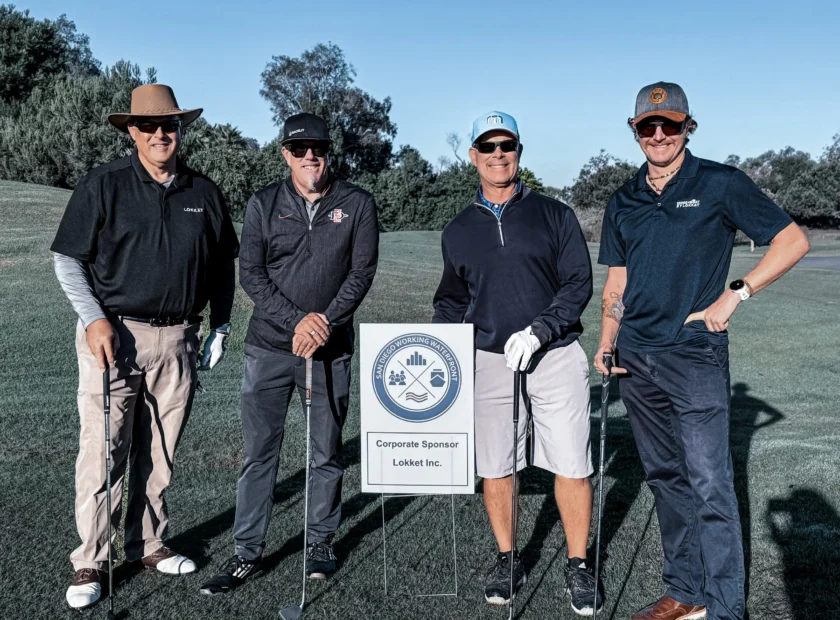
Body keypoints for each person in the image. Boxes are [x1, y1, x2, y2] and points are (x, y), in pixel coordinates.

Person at [594, 82, 810, 620]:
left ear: (689, 125)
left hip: (694, 355)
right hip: (636, 358)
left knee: (710, 482)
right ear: (635, 131)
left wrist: (737, 294)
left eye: (671, 124)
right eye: (649, 126)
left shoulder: (720, 182)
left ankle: (726, 608)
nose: (660, 134)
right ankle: (686, 592)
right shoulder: (623, 199)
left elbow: (792, 240)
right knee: (666, 478)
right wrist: (604, 339)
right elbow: (617, 281)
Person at [52, 84, 239, 609]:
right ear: (131, 131)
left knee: (159, 450)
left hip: (179, 337)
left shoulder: (204, 192)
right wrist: (92, 319)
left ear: (181, 130)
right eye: (150, 126)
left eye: (170, 126)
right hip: (113, 335)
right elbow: (68, 260)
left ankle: (148, 545)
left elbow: (222, 266)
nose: (161, 134)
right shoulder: (104, 184)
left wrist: (221, 327)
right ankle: (91, 557)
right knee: (104, 450)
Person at [200, 112, 379, 595]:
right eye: (299, 150)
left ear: (328, 150)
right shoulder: (263, 203)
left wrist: (323, 324)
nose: (309, 156)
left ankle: (321, 541)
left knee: (326, 452)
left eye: (317, 147)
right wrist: (297, 320)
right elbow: (252, 274)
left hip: (330, 349)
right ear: (285, 154)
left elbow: (360, 274)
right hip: (269, 348)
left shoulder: (358, 203)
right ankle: (246, 552)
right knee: (260, 455)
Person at [433, 111, 602, 615]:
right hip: (489, 360)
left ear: (519, 151)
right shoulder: (459, 229)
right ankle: (508, 557)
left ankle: (577, 563)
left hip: (554, 354)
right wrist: (441, 344)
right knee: (496, 466)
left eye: (507, 145)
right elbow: (450, 300)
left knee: (572, 461)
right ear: (473, 156)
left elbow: (578, 284)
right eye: (488, 146)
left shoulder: (554, 214)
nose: (498, 154)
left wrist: (540, 330)